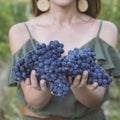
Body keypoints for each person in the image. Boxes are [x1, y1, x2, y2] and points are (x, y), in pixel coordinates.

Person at [7, 0, 120, 120]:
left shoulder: (106, 29)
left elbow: (95, 100)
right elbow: (35, 103)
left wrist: (78, 85)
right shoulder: (20, 31)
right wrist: (49, 77)